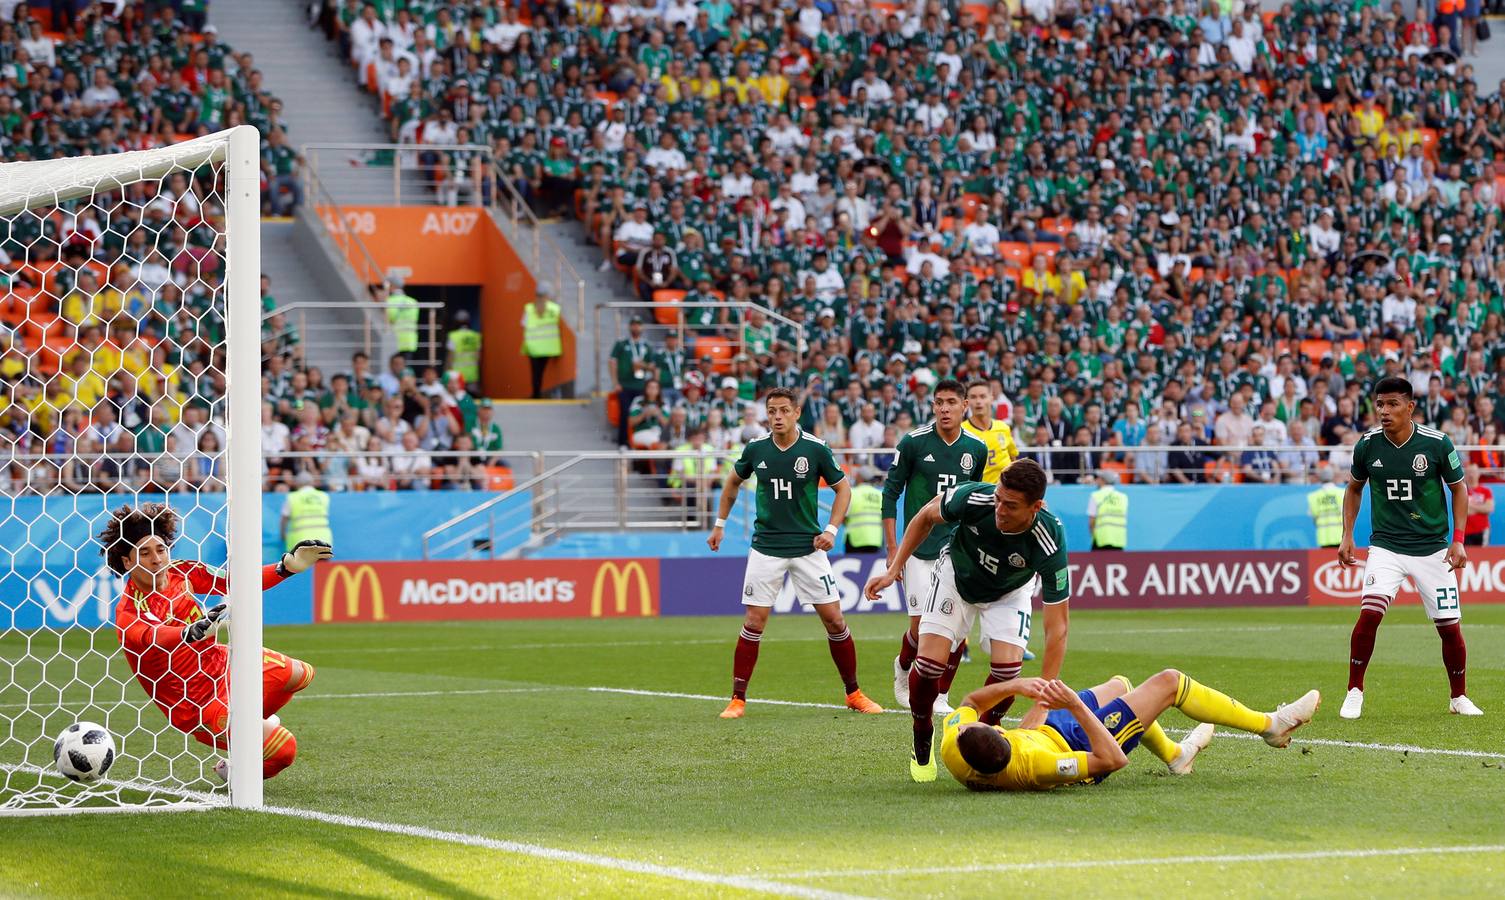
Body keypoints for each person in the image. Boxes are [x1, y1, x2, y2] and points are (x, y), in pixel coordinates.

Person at [864, 459, 1071, 782]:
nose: (999, 509)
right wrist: (894, 570)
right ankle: (922, 732)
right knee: (929, 665)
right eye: (999, 498)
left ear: (1036, 507)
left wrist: (1043, 702)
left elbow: (1057, 626)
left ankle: (982, 739)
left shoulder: (1049, 538)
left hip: (1010, 591)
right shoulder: (975, 498)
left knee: (1007, 671)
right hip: (956, 577)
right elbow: (924, 516)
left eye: (1011, 505)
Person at [100, 503, 333, 781]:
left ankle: (249, 727)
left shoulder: (181, 572)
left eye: (160, 549)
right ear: (127, 562)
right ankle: (234, 770)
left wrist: (286, 567)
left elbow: (236, 582)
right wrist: (191, 633)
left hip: (222, 666)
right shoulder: (129, 611)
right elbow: (154, 637)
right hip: (195, 702)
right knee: (284, 750)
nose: (156, 559)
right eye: (145, 552)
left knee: (301, 675)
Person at [707, 388, 882, 719]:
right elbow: (731, 483)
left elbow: (843, 488)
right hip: (766, 548)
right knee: (754, 622)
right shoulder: (756, 449)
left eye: (783, 410)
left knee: (835, 619)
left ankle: (854, 693)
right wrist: (720, 524)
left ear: (796, 413)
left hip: (808, 547)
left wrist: (831, 530)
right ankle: (737, 699)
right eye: (771, 411)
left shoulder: (815, 449)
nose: (776, 417)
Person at [1337, 376, 1482, 719]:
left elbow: (1459, 489)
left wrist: (1458, 541)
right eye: (1380, 404)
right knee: (1370, 613)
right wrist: (1347, 534)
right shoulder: (1368, 445)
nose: (1384, 411)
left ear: (1410, 407)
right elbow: (1354, 488)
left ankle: (1458, 697)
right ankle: (1354, 690)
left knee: (1449, 627)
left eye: (1392, 404)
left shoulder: (1436, 444)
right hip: (1386, 546)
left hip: (1433, 550)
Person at [940, 670, 1320, 791]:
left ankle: (1176, 755)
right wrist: (1073, 705)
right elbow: (1111, 759)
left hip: (1047, 732)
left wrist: (1021, 689)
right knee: (1168, 683)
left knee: (1121, 686)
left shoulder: (954, 746)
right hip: (1077, 745)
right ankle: (1271, 726)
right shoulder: (1037, 767)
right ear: (1002, 734)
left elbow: (972, 699)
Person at [882, 378, 987, 714]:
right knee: (920, 626)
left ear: (964, 406)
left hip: (956, 548)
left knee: (955, 627)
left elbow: (973, 499)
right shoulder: (913, 443)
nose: (944, 408)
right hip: (918, 549)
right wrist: (892, 549)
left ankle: (940, 693)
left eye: (951, 402)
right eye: (939, 402)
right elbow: (890, 494)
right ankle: (902, 667)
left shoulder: (976, 449)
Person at [960, 380, 1019, 486]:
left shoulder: (1003, 428)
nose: (978, 401)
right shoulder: (961, 431)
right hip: (976, 492)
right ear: (967, 402)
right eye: (973, 397)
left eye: (982, 396)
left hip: (1003, 492)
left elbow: (1013, 458)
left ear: (991, 399)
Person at [609, 316, 654, 446]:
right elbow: (612, 362)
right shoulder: (622, 343)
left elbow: (652, 366)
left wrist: (642, 365)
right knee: (625, 412)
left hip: (641, 385)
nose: (636, 327)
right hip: (625, 385)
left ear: (642, 327)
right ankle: (623, 441)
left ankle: (636, 440)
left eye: (638, 325)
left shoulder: (646, 345)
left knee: (640, 412)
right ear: (629, 327)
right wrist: (615, 382)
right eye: (633, 324)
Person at [520, 283, 562, 399]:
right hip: (549, 347)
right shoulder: (555, 308)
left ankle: (536, 394)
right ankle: (540, 394)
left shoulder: (529, 308)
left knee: (536, 372)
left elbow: (523, 324)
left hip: (533, 347)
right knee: (541, 371)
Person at [280, 470, 332, 552]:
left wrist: (282, 535)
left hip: (300, 542)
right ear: (312, 482)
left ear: (297, 483)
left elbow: (284, 519)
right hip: (323, 541)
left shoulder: (292, 497)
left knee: (299, 565)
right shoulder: (323, 496)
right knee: (322, 565)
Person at [1087, 469, 1128, 550]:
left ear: (1103, 480)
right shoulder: (1123, 497)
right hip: (1119, 540)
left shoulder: (1096, 495)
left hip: (1101, 540)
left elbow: (1091, 521)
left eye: (1098, 478)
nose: (1096, 480)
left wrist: (1093, 535)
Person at [844, 471, 883, 553]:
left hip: (855, 539)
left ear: (860, 478)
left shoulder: (852, 493)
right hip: (875, 539)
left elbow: (843, 516)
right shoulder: (879, 494)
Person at [385, 275, 420, 365]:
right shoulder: (413, 301)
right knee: (406, 368)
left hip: (395, 340)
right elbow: (415, 319)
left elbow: (390, 319)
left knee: (395, 369)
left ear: (392, 286)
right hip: (410, 340)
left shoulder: (390, 301)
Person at [1308, 465, 1345, 549]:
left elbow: (1313, 516)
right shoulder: (1341, 493)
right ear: (1332, 477)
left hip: (1323, 537)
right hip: (1340, 536)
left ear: (1320, 478)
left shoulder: (1314, 496)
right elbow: (1346, 516)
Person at [446, 309, 483, 391]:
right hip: (473, 375)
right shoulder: (476, 336)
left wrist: (446, 373)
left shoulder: (453, 336)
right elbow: (479, 357)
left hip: (457, 377)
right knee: (472, 401)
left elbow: (450, 358)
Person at [1463, 465, 1492, 547]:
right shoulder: (1462, 492)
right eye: (1469, 473)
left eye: (1473, 472)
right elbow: (1463, 511)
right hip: (1466, 531)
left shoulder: (1485, 491)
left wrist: (1470, 505)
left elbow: (1489, 508)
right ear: (1465, 475)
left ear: (1478, 474)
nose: (1471, 475)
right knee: (1467, 557)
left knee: (1483, 555)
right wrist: (1481, 508)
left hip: (1482, 530)